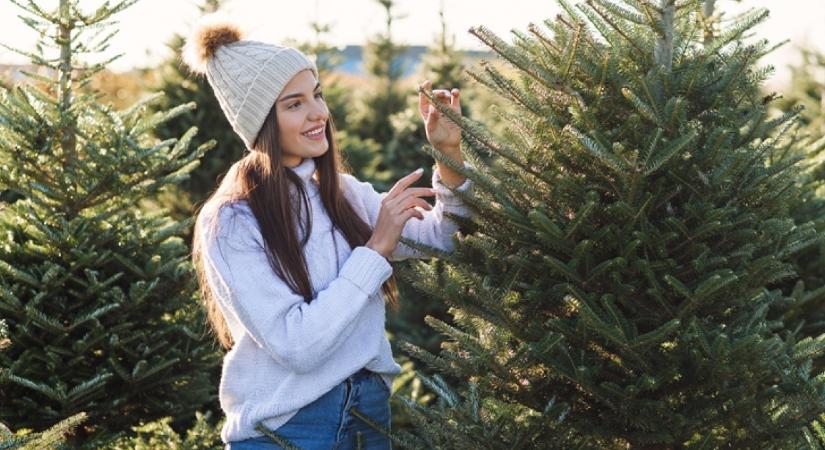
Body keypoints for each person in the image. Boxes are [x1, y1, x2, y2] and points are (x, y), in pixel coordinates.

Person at [184, 13, 474, 450]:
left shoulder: (340, 193)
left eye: (316, 95)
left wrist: (448, 155)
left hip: (367, 416)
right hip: (286, 430)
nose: (319, 113)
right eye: (294, 104)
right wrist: (377, 249)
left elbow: (447, 238)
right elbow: (297, 346)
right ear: (261, 124)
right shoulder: (232, 221)